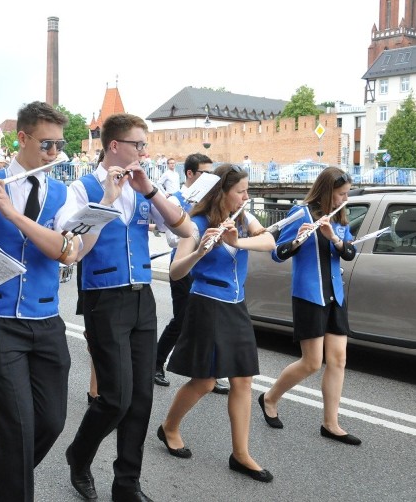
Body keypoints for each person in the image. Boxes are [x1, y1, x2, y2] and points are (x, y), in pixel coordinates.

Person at [61, 113, 193, 502]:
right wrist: (106, 201)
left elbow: (185, 229)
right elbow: (71, 247)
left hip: (142, 298)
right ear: (115, 146)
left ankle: (127, 484)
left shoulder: (142, 187)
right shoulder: (82, 188)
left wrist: (149, 190)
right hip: (104, 298)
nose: (144, 151)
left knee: (141, 398)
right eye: (138, 144)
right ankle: (79, 454)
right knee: (116, 397)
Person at [0, 101, 78, 501]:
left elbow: (65, 251)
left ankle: (2, 472)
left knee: (52, 420)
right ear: (23, 138)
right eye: (46, 145)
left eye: (59, 146)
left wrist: (14, 216)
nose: (53, 155)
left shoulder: (62, 193)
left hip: (46, 317)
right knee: (17, 424)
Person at [158, 164, 276, 483]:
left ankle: (241, 454)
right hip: (207, 304)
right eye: (240, 192)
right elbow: (176, 272)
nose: (245, 197)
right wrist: (199, 251)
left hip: (236, 305)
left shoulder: (242, 218)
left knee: (243, 380)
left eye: (246, 191)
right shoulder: (194, 223)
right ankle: (169, 427)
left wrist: (238, 242)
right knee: (205, 381)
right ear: (222, 193)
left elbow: (269, 243)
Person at [258, 168, 360, 445]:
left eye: (346, 194)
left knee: (338, 359)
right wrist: (297, 240)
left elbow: (350, 253)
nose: (344, 198)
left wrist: (335, 238)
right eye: (341, 194)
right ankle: (269, 397)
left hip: (335, 296)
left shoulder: (339, 218)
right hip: (309, 295)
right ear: (327, 191)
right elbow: (276, 253)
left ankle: (331, 423)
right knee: (312, 362)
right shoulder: (301, 213)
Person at [154, 153, 230, 394]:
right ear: (189, 174)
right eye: (204, 174)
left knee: (210, 322)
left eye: (212, 174)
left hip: (206, 267)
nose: (210, 179)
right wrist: (195, 235)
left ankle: (209, 371)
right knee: (182, 319)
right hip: (184, 265)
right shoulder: (176, 200)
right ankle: (156, 363)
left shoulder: (213, 200)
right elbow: (170, 238)